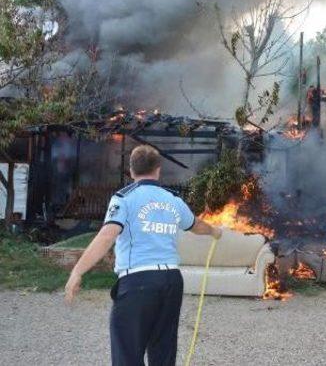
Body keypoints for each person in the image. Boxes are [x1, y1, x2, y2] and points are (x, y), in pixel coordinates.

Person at [64, 145, 222, 366]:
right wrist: (215, 232)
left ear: (131, 171)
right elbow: (196, 225)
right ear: (158, 170)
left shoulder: (124, 198)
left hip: (138, 282)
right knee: (163, 352)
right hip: (171, 281)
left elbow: (107, 235)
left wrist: (77, 271)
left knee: (127, 352)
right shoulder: (173, 200)